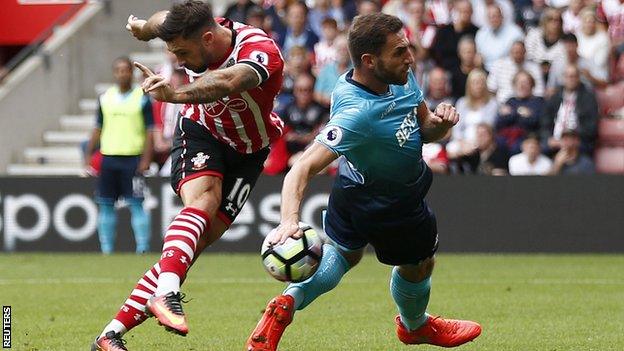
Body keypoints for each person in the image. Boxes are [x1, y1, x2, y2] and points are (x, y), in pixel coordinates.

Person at [245, 13, 481, 351]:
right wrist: (288, 222)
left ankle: (286, 304)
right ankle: (415, 326)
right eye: (400, 51)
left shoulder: (399, 75)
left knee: (343, 254)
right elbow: (301, 168)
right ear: (370, 61)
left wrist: (441, 125)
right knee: (419, 265)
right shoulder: (357, 114)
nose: (410, 58)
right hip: (395, 201)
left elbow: (423, 125)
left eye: (408, 49)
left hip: (352, 189)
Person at [92, 1, 285, 350]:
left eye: (182, 52)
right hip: (201, 131)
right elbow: (159, 21)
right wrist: (142, 28)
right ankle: (166, 293)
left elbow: (227, 81)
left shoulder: (259, 50)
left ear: (209, 38)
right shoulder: (185, 28)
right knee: (205, 199)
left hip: (249, 152)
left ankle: (110, 335)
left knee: (186, 252)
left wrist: (176, 95)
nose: (178, 60)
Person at [84, 56, 154, 255]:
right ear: (114, 73)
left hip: (133, 158)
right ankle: (106, 249)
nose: (123, 73)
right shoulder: (105, 98)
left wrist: (147, 158)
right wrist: (89, 151)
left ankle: (142, 248)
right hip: (109, 158)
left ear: (131, 73)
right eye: (119, 70)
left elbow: (150, 131)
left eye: (126, 70)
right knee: (105, 204)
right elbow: (98, 127)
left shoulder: (142, 98)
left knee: (137, 204)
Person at [495, 70, 544, 155]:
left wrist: (512, 114)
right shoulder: (510, 101)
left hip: (528, 139)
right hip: (507, 139)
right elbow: (499, 122)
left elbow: (534, 121)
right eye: (518, 82)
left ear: (532, 85)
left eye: (525, 82)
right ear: (514, 85)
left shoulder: (538, 102)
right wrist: (520, 112)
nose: (521, 86)